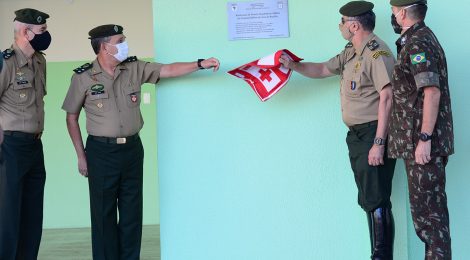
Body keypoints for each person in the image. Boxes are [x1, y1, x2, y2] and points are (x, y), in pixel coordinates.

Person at [62, 24, 220, 259]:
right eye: (120, 40)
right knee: (103, 215)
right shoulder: (83, 77)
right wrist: (81, 155)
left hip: (132, 150)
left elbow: (167, 70)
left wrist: (199, 64)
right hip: (100, 153)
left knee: (131, 214)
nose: (125, 44)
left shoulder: (134, 68)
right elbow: (71, 117)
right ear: (105, 47)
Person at [279, 1, 396, 259]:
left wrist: (379, 142)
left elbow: (387, 97)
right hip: (357, 136)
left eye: (342, 22)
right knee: (369, 199)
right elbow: (322, 68)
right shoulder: (351, 51)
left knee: (377, 200)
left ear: (353, 25)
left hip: (373, 133)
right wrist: (293, 65)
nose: (340, 26)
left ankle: (381, 256)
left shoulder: (378, 53)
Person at [388, 0, 454, 259]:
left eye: (393, 11)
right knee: (429, 219)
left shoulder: (418, 43)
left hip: (422, 144)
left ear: (402, 13)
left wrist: (425, 137)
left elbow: (431, 90)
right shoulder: (418, 38)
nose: (392, 16)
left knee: (430, 221)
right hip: (416, 142)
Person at [0, 8, 51, 260]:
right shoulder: (5, 62)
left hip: (34, 147)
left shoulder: (40, 61)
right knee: (8, 217)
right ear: (25, 32)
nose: (46, 35)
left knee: (32, 216)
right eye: (41, 31)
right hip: (9, 147)